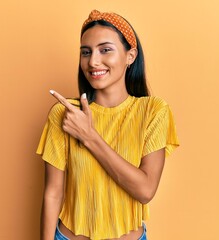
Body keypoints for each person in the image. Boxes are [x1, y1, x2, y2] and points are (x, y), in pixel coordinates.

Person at [36, 9, 179, 240]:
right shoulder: (65, 113)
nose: (93, 61)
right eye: (86, 52)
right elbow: (52, 193)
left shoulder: (153, 111)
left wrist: (89, 136)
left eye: (105, 50)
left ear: (130, 56)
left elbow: (145, 190)